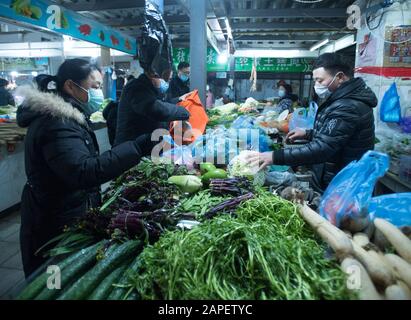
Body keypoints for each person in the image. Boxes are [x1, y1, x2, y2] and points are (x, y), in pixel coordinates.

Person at [16, 58, 153, 277]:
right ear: (70, 85)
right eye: (95, 86)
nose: (98, 93)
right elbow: (83, 171)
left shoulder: (67, 116)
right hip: (53, 219)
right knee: (54, 281)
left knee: (67, 278)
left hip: (62, 209)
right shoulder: (56, 123)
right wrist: (135, 147)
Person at [247, 53, 377, 191]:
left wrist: (275, 156)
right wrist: (308, 133)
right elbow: (337, 134)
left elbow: (323, 148)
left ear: (339, 77)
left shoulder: (348, 106)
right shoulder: (343, 100)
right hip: (337, 174)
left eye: (320, 80)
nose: (316, 85)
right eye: (315, 81)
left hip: (344, 181)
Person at [114, 69, 190, 146]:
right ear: (153, 77)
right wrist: (184, 112)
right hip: (128, 150)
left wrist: (179, 99)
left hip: (139, 145)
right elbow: (157, 110)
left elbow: (163, 103)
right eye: (165, 80)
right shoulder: (136, 88)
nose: (166, 83)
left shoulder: (149, 90)